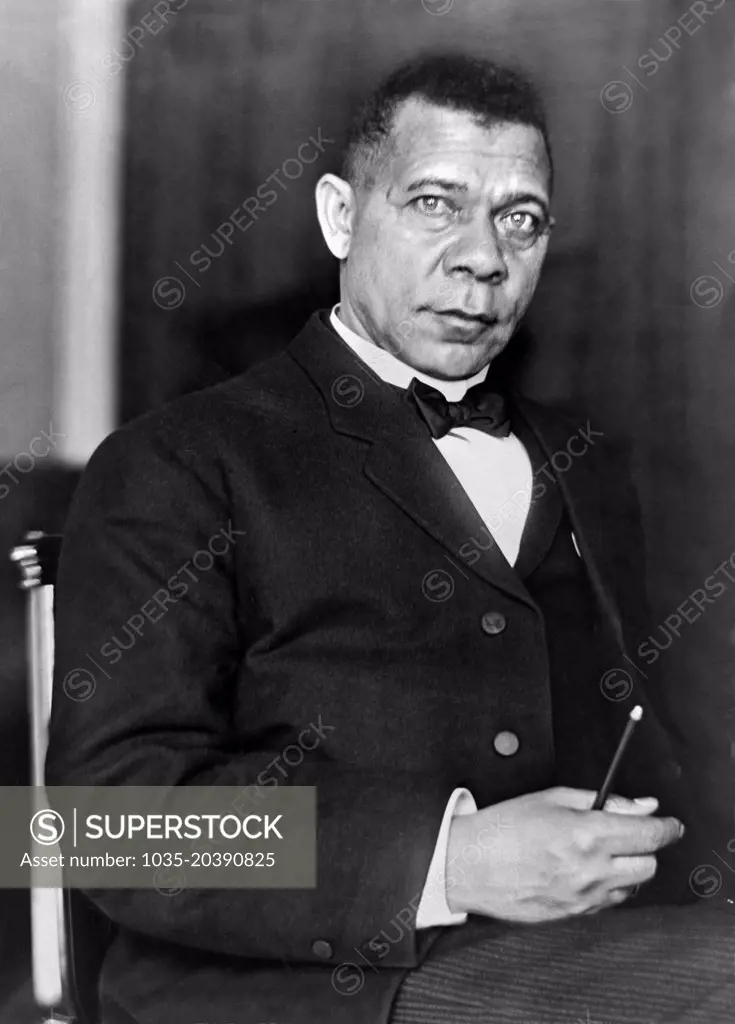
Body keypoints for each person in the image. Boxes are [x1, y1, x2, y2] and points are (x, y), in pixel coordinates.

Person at [46, 53, 734, 1024]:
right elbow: (107, 830)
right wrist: (449, 861)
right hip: (300, 992)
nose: (484, 257)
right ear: (338, 216)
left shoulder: (590, 462)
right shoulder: (179, 461)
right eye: (435, 203)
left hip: (586, 946)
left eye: (520, 219)